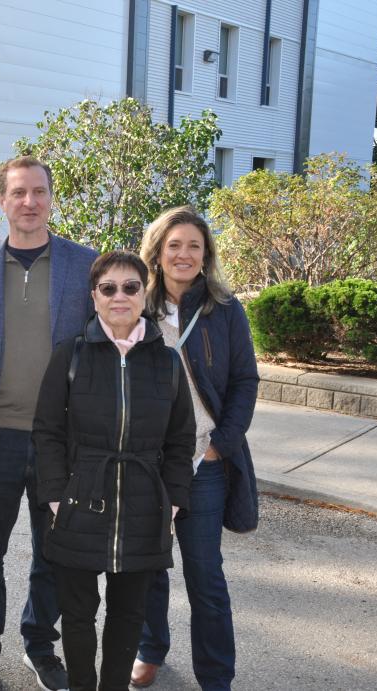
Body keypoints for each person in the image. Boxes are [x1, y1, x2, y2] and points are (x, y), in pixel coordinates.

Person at [0, 155, 98, 691]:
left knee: (54, 553)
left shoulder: (84, 266)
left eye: (39, 192)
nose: (29, 202)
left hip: (59, 439)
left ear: (51, 197)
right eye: (18, 193)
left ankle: (40, 644)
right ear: (1, 200)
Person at [33, 250, 196, 691]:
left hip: (144, 504)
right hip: (80, 500)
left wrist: (175, 498)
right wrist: (54, 494)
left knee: (128, 616)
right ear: (94, 296)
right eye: (109, 288)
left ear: (144, 294)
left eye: (130, 287)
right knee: (79, 614)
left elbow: (182, 440)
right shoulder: (71, 355)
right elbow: (46, 430)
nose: (119, 296)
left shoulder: (167, 361)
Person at [131, 207, 260, 691]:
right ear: (157, 253)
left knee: (206, 579)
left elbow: (246, 381)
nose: (184, 255)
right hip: (147, 464)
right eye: (174, 245)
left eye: (194, 247)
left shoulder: (224, 310)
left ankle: (216, 677)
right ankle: (150, 648)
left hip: (202, 465)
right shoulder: (136, 306)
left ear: (206, 257)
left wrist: (219, 448)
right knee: (147, 568)